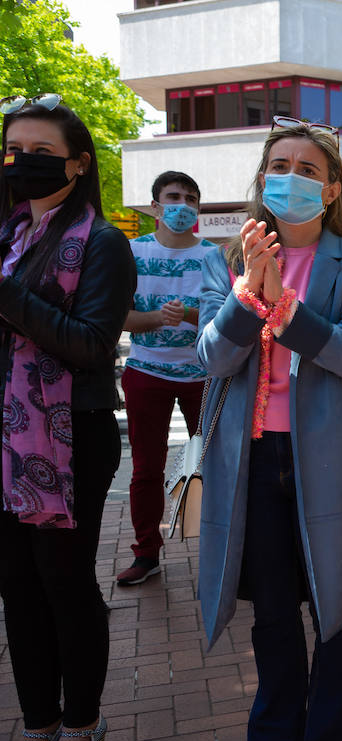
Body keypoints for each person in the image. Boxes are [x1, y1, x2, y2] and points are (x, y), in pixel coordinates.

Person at [196, 117, 342, 741]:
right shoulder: (230, 257)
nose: (290, 177)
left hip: (329, 466)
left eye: (307, 168)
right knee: (273, 621)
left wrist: (284, 304)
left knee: (337, 618)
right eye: (279, 164)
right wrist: (250, 291)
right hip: (252, 463)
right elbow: (212, 359)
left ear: (332, 186)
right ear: (261, 177)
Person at [0, 96, 135, 741]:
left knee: (64, 583)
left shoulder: (102, 243)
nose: (20, 160)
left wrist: (6, 294)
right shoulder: (8, 232)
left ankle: (81, 721)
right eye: (10, 147)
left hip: (68, 438)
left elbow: (89, 345)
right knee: (15, 587)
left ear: (78, 163)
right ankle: (35, 720)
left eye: (38, 150)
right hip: (4, 439)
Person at [116, 170, 219, 587]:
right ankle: (146, 553)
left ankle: (220, 546)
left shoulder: (214, 255)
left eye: (191, 199)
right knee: (146, 468)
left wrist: (191, 315)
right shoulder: (130, 253)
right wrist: (158, 318)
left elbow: (227, 317)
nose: (183, 206)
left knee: (214, 463)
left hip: (205, 375)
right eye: (173, 197)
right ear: (155, 206)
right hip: (145, 373)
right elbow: (116, 316)